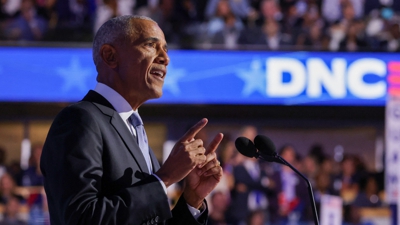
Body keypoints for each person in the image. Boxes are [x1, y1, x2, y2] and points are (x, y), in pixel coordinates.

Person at [40, 15, 224, 225]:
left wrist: (192, 200)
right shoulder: (79, 120)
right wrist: (164, 178)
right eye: (151, 45)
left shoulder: (134, 128)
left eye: (165, 49)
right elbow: (80, 219)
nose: (165, 58)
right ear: (110, 56)